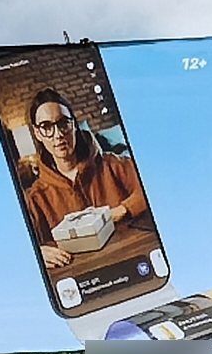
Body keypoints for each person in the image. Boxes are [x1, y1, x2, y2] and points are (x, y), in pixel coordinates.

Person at [18, 90, 151, 270]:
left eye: (63, 123)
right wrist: (36, 253)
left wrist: (123, 210)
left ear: (74, 125)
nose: (58, 135)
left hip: (135, 262)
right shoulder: (36, 198)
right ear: (37, 133)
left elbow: (154, 184)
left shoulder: (111, 165)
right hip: (84, 278)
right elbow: (16, 247)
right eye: (46, 127)